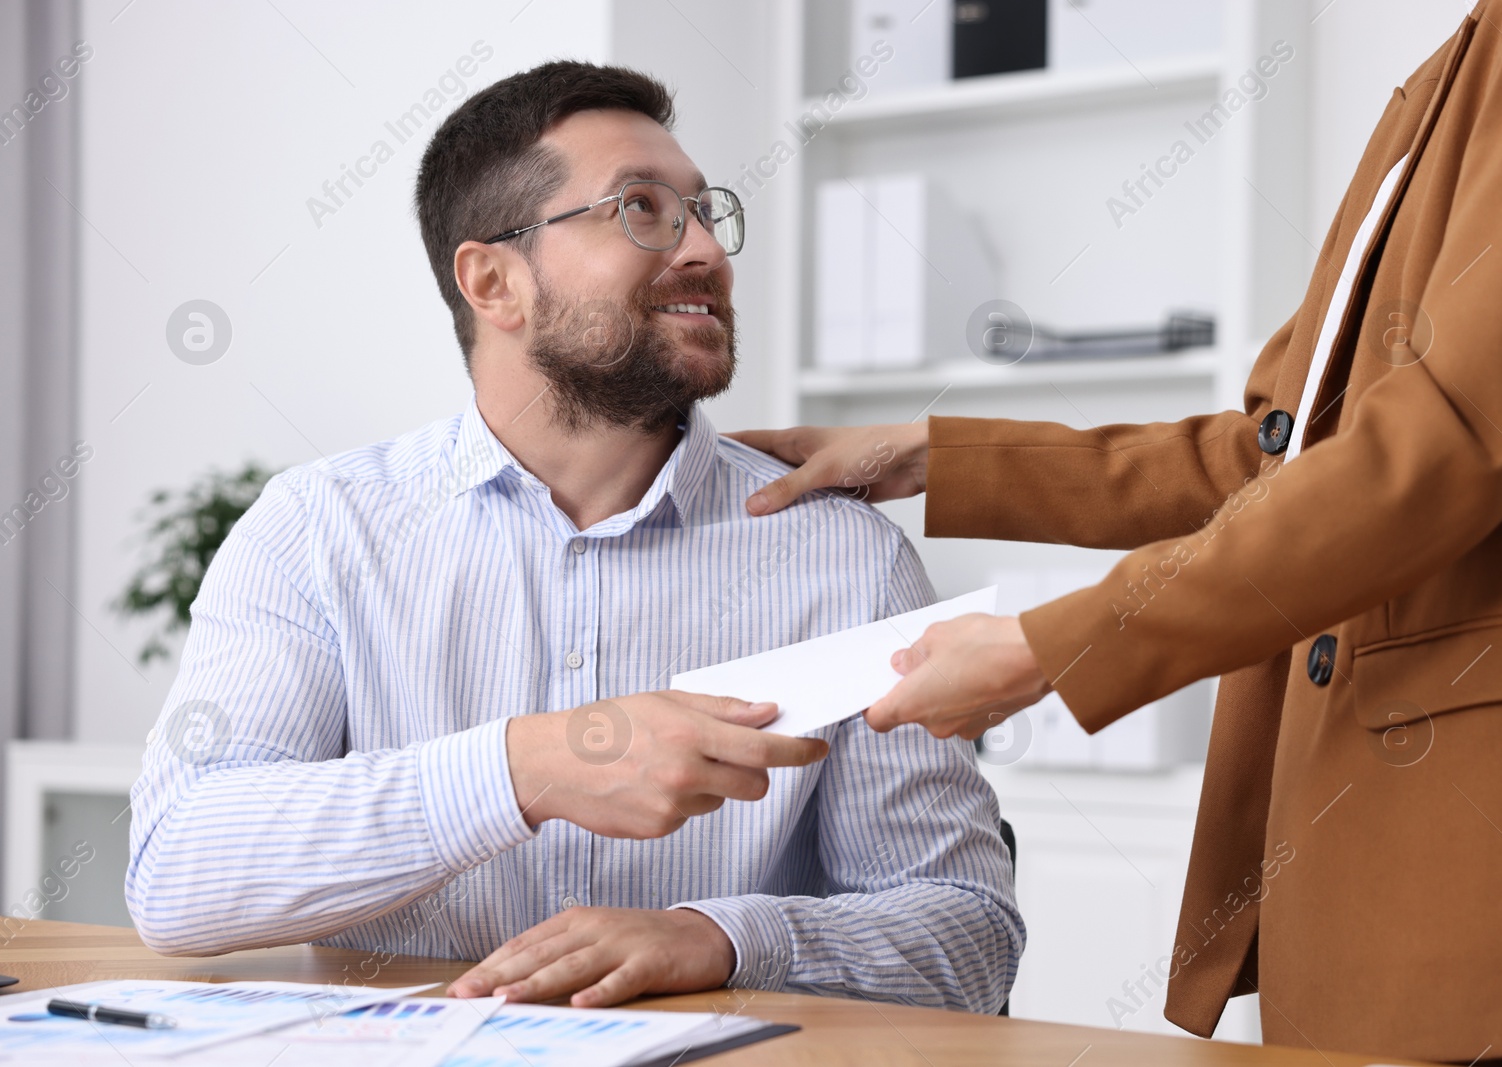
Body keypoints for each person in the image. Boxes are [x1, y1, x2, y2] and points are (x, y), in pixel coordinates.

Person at [732, 1, 1502, 1061]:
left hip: (1490, 861)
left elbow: (1450, 441)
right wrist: (937, 456)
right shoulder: (1459, 65)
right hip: (1370, 840)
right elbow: (1276, 456)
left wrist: (1049, 647)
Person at [125, 60, 1021, 1015]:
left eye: (704, 212)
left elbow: (967, 933)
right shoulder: (319, 530)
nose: (704, 251)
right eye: (641, 208)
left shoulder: (845, 555)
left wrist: (719, 937)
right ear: (495, 281)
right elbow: (178, 871)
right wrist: (531, 769)